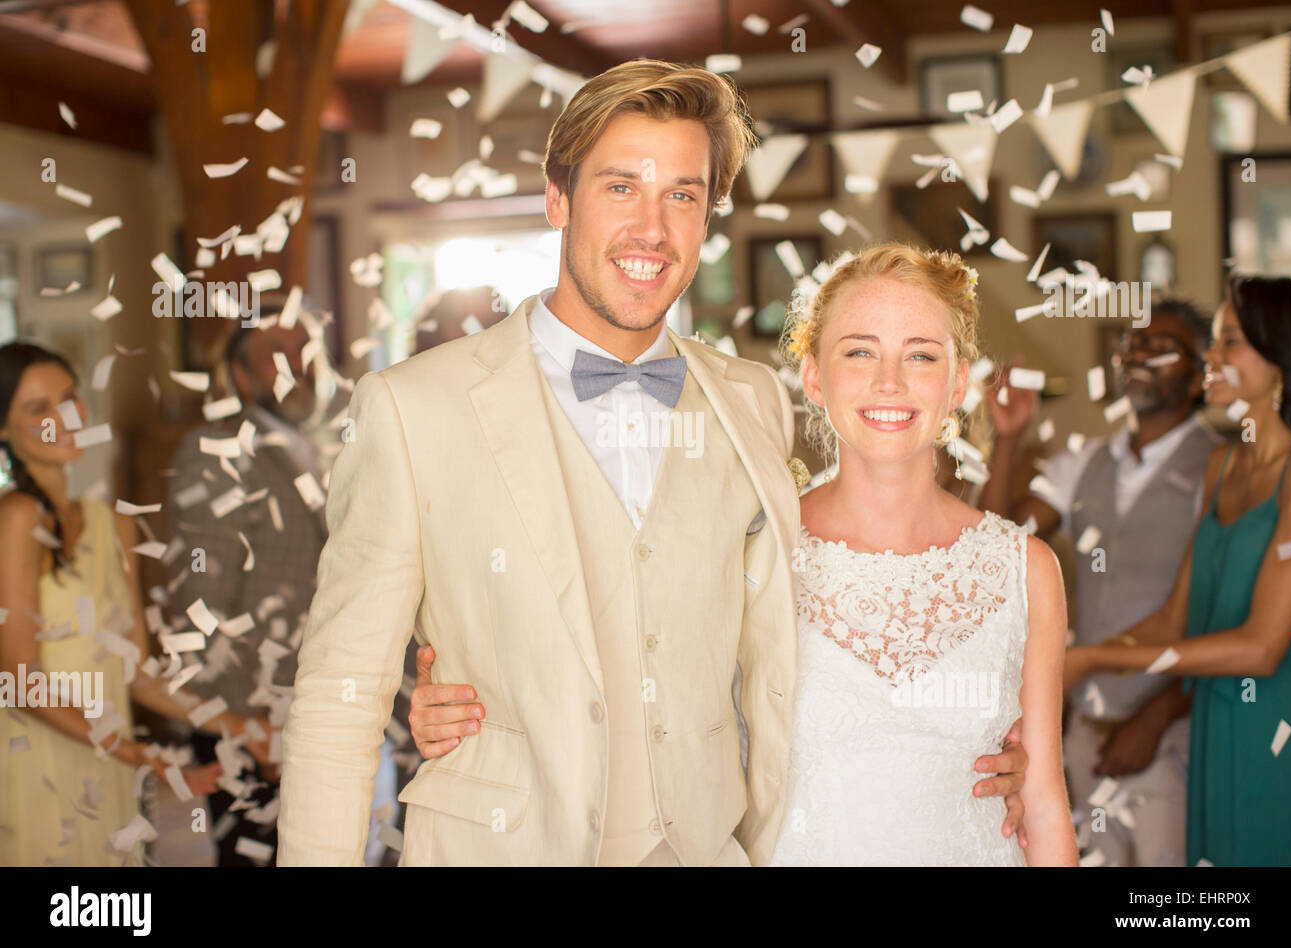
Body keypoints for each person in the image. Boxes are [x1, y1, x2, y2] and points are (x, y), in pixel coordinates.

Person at [278, 60, 1029, 867]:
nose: (653, 229)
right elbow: (339, 697)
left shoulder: (753, 401)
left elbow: (800, 628)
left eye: (682, 194)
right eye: (620, 188)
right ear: (558, 198)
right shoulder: (411, 408)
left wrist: (961, 742)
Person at [410, 243, 1075, 865]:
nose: (891, 382)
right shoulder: (749, 543)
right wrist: (470, 708)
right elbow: (618, 677)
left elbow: (1044, 801)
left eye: (923, 356)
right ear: (813, 377)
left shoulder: (1026, 571)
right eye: (860, 353)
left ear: (958, 381)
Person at [1064, 274, 1291, 866]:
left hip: (1278, 722)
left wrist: (1095, 658)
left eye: (1230, 341)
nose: (1211, 358)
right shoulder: (1223, 466)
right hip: (1219, 724)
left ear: (1282, 355)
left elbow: (1261, 648)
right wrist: (1065, 663)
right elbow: (1175, 618)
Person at [982, 300, 1220, 866]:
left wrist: (1155, 718)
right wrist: (1007, 438)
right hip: (1085, 733)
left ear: (1198, 376)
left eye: (1161, 348)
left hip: (1174, 729)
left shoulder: (1220, 468)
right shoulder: (1083, 462)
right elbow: (996, 548)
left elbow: (1226, 614)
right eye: (1132, 345)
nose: (1139, 356)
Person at [0, 342, 250, 865]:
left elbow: (138, 674)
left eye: (69, 397)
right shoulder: (16, 517)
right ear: (4, 428)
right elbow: (19, 679)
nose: (63, 417)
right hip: (35, 766)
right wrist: (137, 753)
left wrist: (240, 726)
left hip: (107, 764)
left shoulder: (110, 523)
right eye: (37, 408)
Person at [165, 305, 327, 865]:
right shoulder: (214, 455)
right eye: (277, 355)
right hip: (249, 714)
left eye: (305, 351)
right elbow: (202, 604)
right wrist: (246, 722)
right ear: (239, 374)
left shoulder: (320, 446)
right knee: (252, 858)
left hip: (315, 704)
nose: (297, 368)